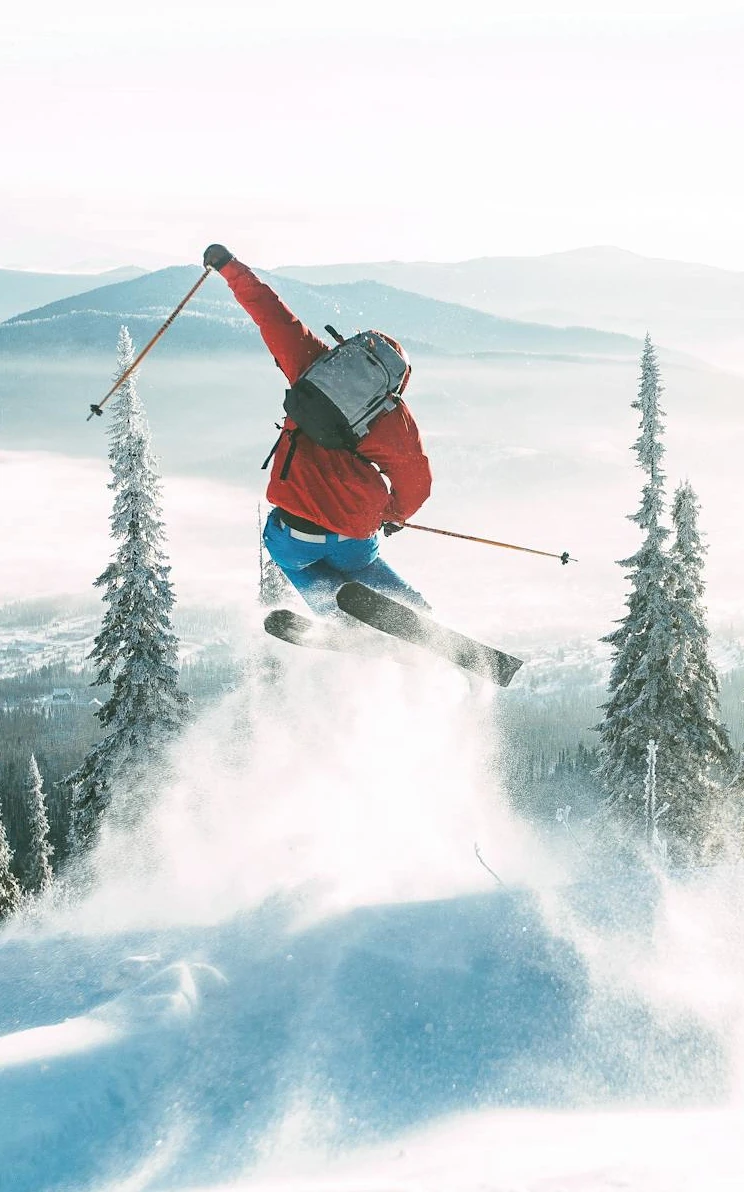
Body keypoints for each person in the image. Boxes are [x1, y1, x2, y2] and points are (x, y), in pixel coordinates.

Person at [203, 244, 433, 616]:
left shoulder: (312, 364)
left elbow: (270, 313)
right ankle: (418, 613)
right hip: (355, 533)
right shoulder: (393, 416)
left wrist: (228, 267)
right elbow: (416, 480)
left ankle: (334, 618)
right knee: (363, 566)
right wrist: (394, 514)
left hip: (297, 534)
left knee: (293, 559)